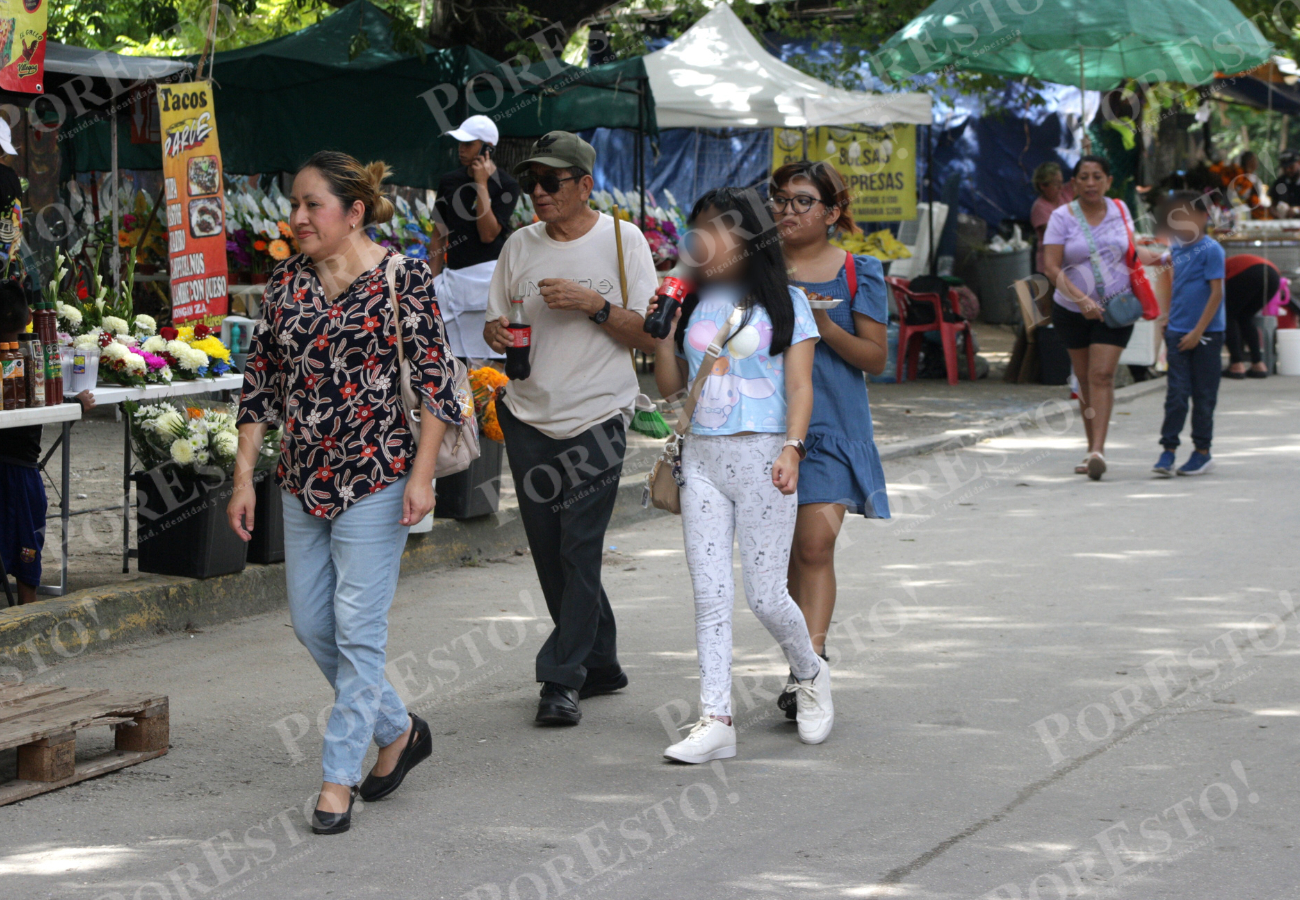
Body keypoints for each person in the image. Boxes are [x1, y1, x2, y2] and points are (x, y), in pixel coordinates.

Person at [229, 151, 463, 835]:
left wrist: (420, 476)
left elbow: (439, 387)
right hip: (303, 478)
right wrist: (244, 477)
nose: (297, 218)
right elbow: (258, 388)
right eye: (293, 205)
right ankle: (399, 729)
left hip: (378, 475)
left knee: (359, 629)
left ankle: (337, 781)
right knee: (311, 622)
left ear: (354, 211)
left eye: (312, 206)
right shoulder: (284, 285)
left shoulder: (402, 277)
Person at [649, 186, 832, 764]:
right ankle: (715, 719)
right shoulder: (694, 301)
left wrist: (793, 449)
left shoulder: (788, 305)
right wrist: (661, 330)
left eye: (716, 228)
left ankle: (810, 673)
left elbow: (801, 387)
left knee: (766, 595)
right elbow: (672, 390)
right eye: (697, 227)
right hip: (701, 459)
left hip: (763, 457)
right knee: (710, 595)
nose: (702, 240)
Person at [483, 132, 658, 727]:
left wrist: (593, 303)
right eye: (532, 181)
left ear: (585, 186)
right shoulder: (519, 246)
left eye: (551, 182)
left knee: (579, 545)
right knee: (550, 551)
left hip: (599, 413)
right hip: (528, 412)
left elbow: (649, 335)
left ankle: (561, 678)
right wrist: (498, 335)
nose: (537, 192)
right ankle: (602, 661)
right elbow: (494, 321)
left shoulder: (622, 239)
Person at [767, 161, 889, 722]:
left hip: (834, 426)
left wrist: (819, 321)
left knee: (815, 546)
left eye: (802, 201)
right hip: (768, 425)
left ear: (833, 212)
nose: (788, 210)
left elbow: (875, 359)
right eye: (781, 200)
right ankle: (801, 661)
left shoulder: (859, 271)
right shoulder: (756, 266)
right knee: (788, 553)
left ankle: (810, 666)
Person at [1042, 156, 1155, 480]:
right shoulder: (1061, 217)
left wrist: (1163, 258)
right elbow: (1051, 267)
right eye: (1084, 177)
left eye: (1097, 176)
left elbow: (1130, 252)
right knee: (1084, 378)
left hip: (1116, 309)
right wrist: (1081, 299)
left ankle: (1098, 451)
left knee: (1102, 374)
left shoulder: (1120, 210)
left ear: (1108, 180)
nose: (1091, 183)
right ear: (1074, 183)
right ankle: (1090, 445)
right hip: (1071, 310)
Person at [0, 282, 94, 605]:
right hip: (23, 475)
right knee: (28, 556)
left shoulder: (20, 355)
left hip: (12, 471)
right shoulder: (29, 355)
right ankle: (27, 614)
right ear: (28, 319)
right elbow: (44, 401)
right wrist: (77, 403)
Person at [432, 115, 520, 360]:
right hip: (454, 282)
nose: (461, 149)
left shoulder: (508, 185)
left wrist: (481, 185)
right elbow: (439, 232)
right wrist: (433, 280)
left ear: (487, 148)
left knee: (493, 356)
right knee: (450, 354)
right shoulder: (449, 181)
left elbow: (488, 234)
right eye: (460, 143)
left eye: (468, 144)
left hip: (490, 281)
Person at [1152, 192, 1226, 477]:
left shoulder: (1211, 250)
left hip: (1206, 336)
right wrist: (1170, 316)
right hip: (1177, 332)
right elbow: (1175, 282)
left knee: (1204, 396)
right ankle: (1168, 450)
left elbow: (1216, 294)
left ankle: (1202, 452)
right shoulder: (1178, 248)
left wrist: (1198, 332)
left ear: (1203, 218)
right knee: (1176, 396)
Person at [1222, 254, 1279, 379]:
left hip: (1250, 272)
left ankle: (1237, 365)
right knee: (1245, 317)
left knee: (1227, 316)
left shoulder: (1216, 267)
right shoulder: (1230, 262)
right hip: (1273, 275)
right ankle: (1258, 364)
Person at [1030, 161, 1074, 274]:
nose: (1060, 187)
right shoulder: (1039, 208)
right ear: (1043, 186)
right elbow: (1054, 236)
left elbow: (1082, 180)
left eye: (1061, 182)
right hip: (1049, 268)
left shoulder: (1065, 193)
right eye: (1055, 184)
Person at [1270, 151, 1300, 218]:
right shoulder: (1279, 182)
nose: (1288, 170)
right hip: (1284, 224)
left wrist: (1296, 210)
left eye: (1291, 167)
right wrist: (1275, 212)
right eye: (1284, 168)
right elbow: (1273, 205)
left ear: (1299, 163)